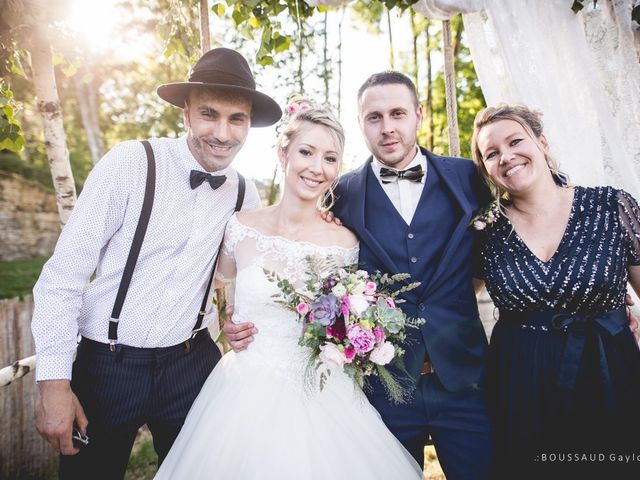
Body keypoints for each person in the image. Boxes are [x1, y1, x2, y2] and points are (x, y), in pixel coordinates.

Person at [225, 72, 494, 479]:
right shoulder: (342, 195)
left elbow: (494, 247)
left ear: (418, 115)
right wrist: (234, 318)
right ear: (361, 122)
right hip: (384, 388)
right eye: (374, 117)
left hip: (463, 379)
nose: (387, 127)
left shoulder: (468, 177)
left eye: (398, 113)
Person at [31, 47, 282, 479]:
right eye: (209, 114)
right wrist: (54, 383)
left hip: (191, 362)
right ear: (185, 114)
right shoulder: (130, 164)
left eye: (236, 119)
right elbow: (62, 276)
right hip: (107, 365)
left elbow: (245, 271)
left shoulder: (245, 191)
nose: (222, 133)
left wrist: (239, 317)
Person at [154, 100, 423, 479]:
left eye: (330, 158)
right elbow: (220, 290)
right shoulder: (239, 227)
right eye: (306, 152)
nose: (317, 167)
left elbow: (350, 312)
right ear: (284, 154)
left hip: (323, 395)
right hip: (242, 394)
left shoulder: (345, 242)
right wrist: (229, 325)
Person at [470, 103, 640, 478]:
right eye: (492, 153)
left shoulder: (611, 206)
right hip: (521, 378)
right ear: (486, 168)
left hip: (608, 366)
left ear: (542, 142)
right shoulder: (486, 232)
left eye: (516, 141)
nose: (507, 157)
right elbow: (454, 299)